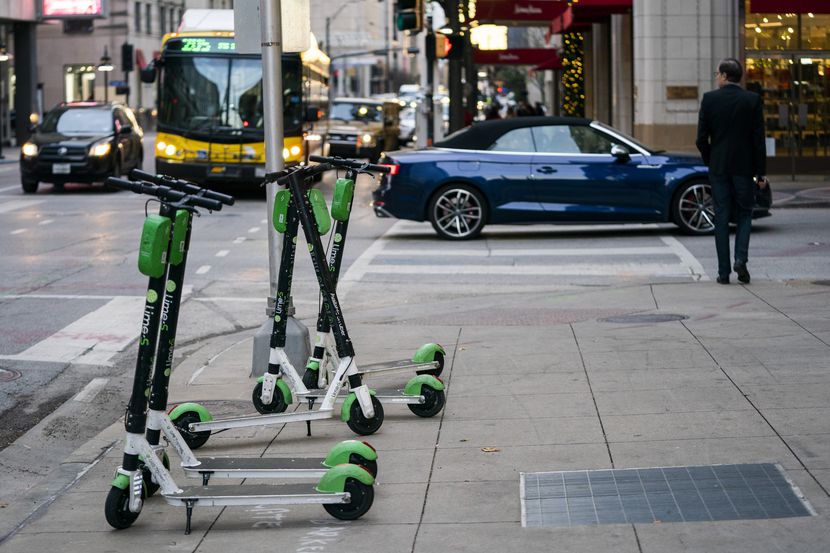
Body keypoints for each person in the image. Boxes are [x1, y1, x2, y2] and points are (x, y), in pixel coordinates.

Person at [696, 57, 767, 285]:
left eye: (717, 74)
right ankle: (740, 259)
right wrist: (761, 172)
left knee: (722, 217)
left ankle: (723, 272)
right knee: (745, 213)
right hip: (744, 168)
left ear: (725, 76)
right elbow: (758, 140)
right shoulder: (752, 100)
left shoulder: (709, 99)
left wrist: (711, 159)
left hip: (719, 167)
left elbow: (700, 139)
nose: (716, 77)